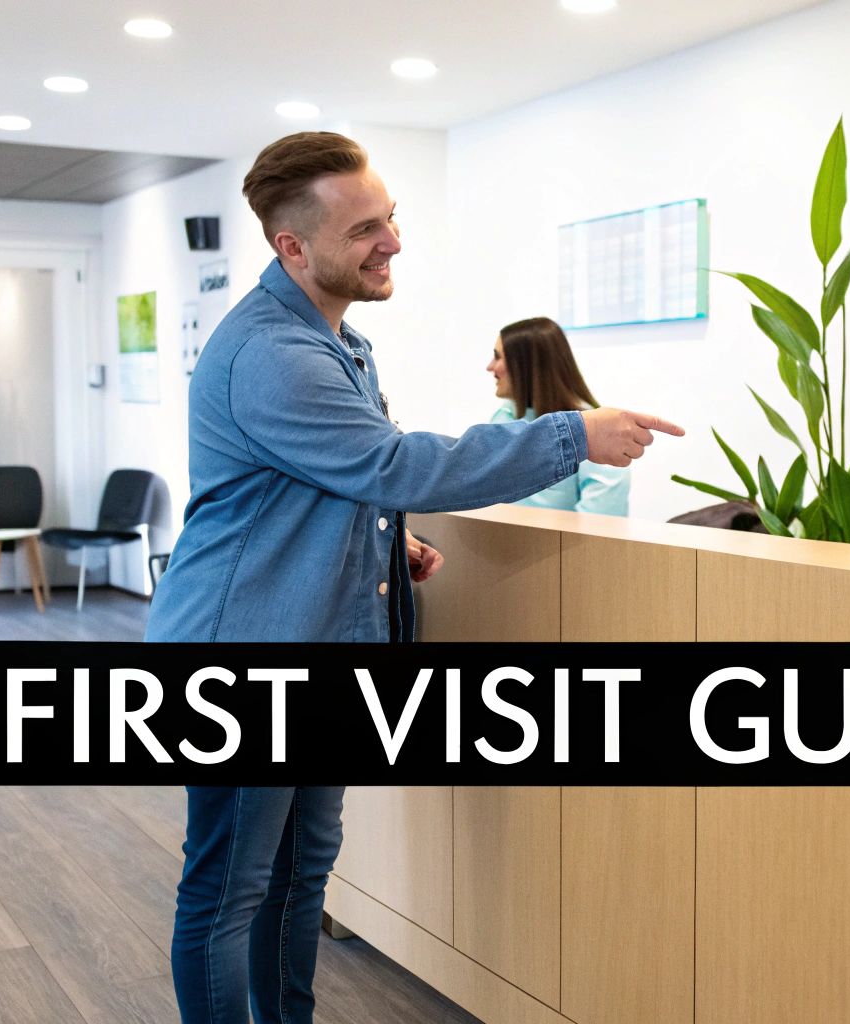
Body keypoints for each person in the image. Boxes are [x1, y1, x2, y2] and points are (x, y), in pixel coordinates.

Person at [145, 131, 682, 1024]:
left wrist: (384, 546)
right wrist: (571, 434)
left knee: (303, 870)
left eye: (390, 217)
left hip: (311, 649)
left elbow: (332, 486)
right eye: (364, 229)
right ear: (293, 247)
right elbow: (394, 467)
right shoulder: (275, 352)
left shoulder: (338, 340)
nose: (392, 240)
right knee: (231, 887)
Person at [485, 316, 630, 516]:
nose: (490, 367)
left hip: (565, 546)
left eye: (498, 356)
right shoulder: (503, 418)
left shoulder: (591, 427)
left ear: (526, 365)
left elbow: (603, 514)